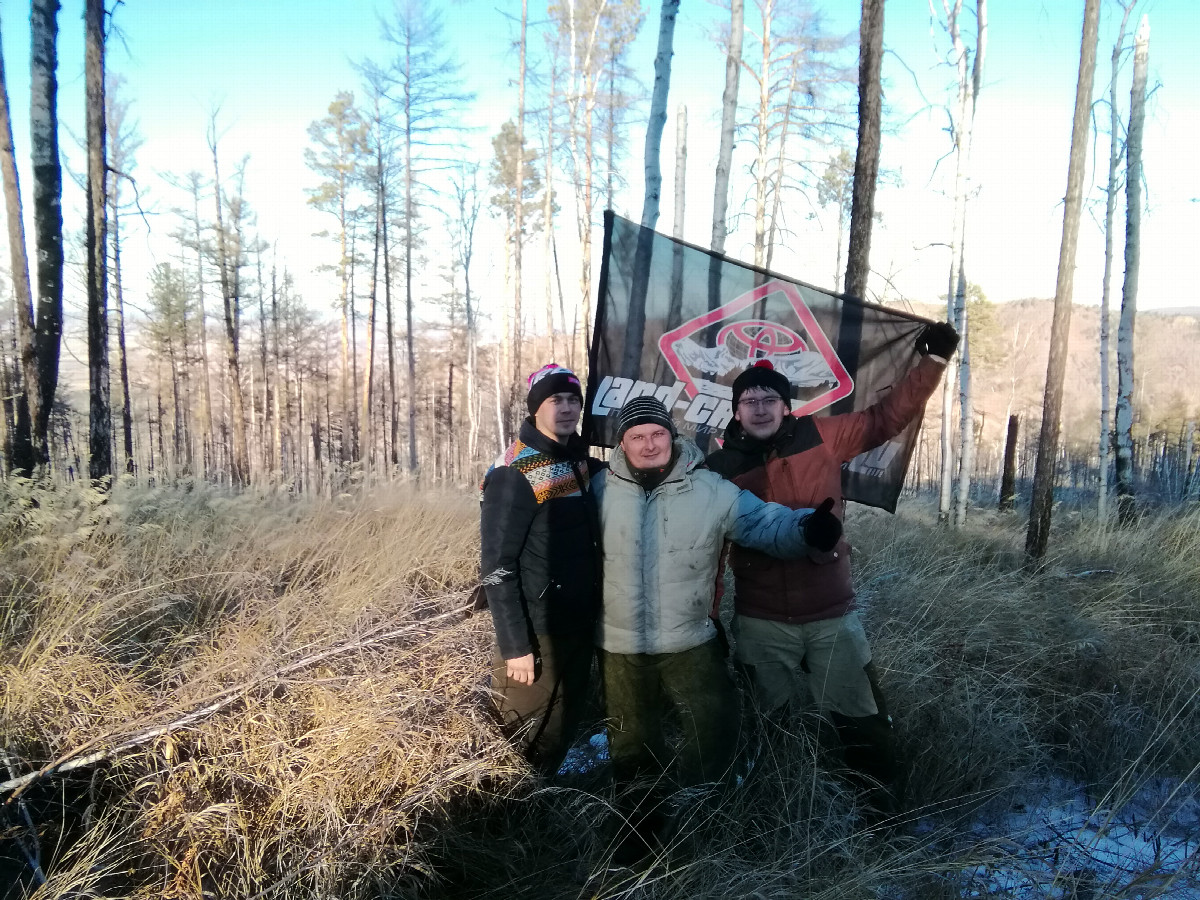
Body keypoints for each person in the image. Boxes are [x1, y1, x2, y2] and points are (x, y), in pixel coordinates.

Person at [705, 321, 960, 815]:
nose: (759, 408)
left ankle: (880, 813)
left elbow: (886, 418)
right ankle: (777, 810)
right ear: (736, 410)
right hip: (761, 622)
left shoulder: (822, 435)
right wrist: (711, 617)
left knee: (860, 716)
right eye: (748, 401)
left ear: (786, 405)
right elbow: (709, 553)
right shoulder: (719, 469)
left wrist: (932, 364)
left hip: (829, 615)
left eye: (768, 399)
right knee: (772, 724)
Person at [591, 395, 841, 860]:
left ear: (672, 435)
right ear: (622, 444)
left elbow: (764, 522)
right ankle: (638, 832)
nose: (649, 445)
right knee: (630, 741)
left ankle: (703, 820)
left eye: (657, 434)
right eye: (637, 437)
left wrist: (808, 528)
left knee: (715, 727)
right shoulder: (598, 491)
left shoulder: (710, 489)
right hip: (619, 644)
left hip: (690, 640)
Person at [479, 363, 604, 776]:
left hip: (578, 625)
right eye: (556, 400)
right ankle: (507, 824)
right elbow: (497, 566)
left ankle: (546, 811)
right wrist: (516, 645)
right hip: (538, 630)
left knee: (562, 726)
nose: (567, 408)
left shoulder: (579, 463)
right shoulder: (515, 472)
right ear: (536, 409)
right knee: (522, 739)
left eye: (574, 400)